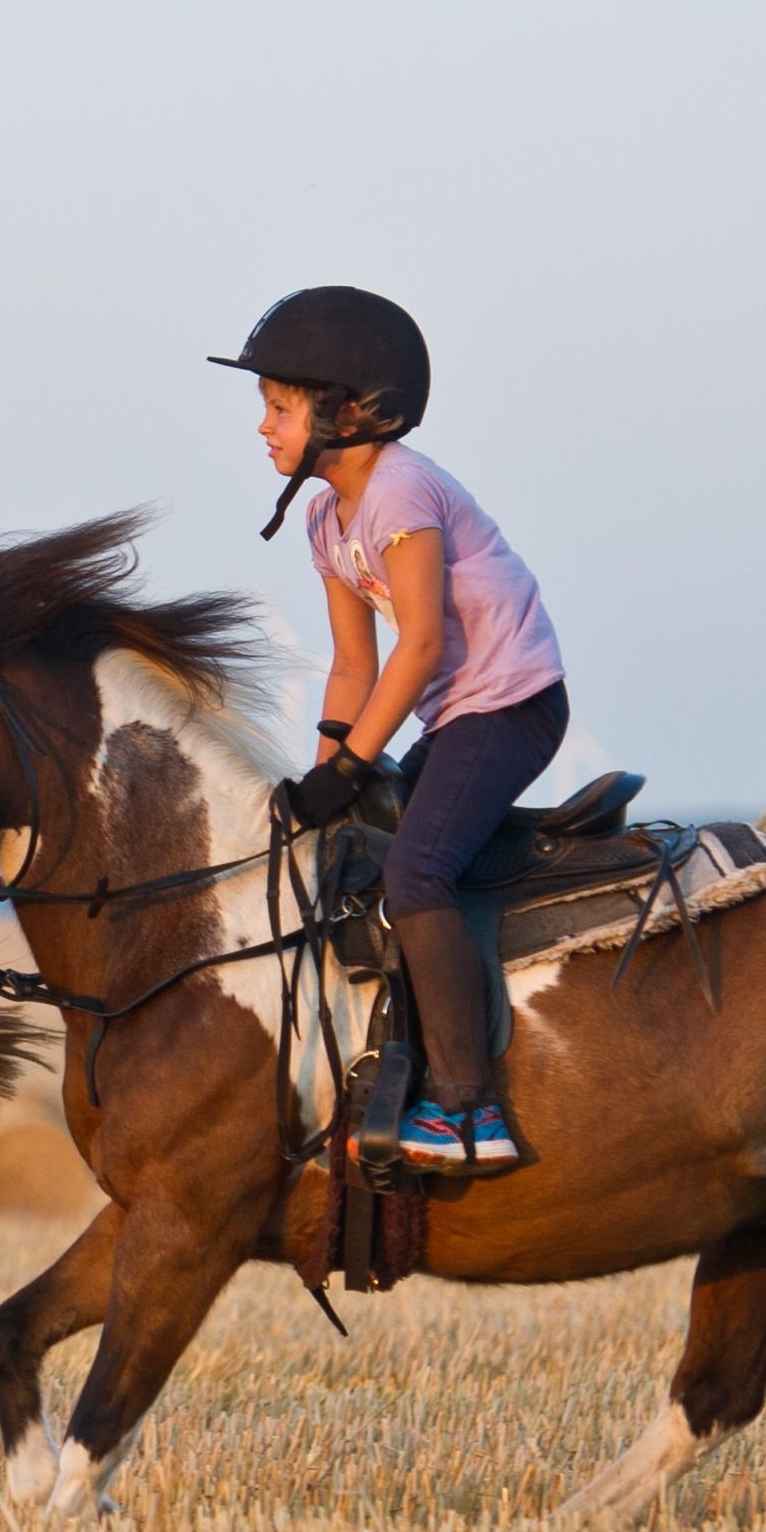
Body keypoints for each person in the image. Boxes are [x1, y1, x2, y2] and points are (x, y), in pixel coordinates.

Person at [212, 287, 567, 1170]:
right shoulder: (324, 517)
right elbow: (352, 667)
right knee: (359, 855)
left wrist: (354, 766)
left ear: (354, 412)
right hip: (453, 711)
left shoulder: (400, 488)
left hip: (511, 703)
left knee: (416, 870)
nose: (264, 427)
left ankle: (467, 1109)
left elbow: (420, 644)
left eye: (281, 407)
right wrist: (325, 775)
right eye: (266, 409)